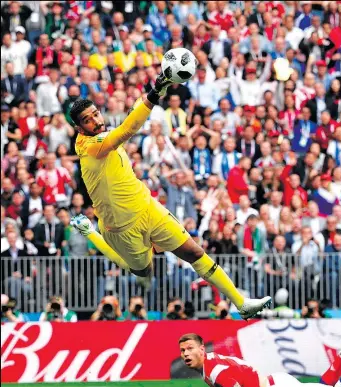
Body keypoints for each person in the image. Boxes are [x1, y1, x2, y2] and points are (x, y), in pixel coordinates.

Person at [69, 73, 271, 320]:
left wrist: (150, 93)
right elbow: (127, 129)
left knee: (194, 253)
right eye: (87, 121)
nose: (95, 121)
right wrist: (154, 94)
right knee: (140, 271)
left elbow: (127, 122)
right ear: (79, 129)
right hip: (120, 227)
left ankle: (242, 303)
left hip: (147, 208)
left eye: (96, 114)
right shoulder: (91, 147)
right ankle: (92, 232)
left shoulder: (100, 137)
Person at [179, 333, 341, 387]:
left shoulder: (214, 370)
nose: (185, 354)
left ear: (201, 349)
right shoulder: (210, 361)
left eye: (190, 349)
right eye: (182, 351)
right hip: (275, 381)